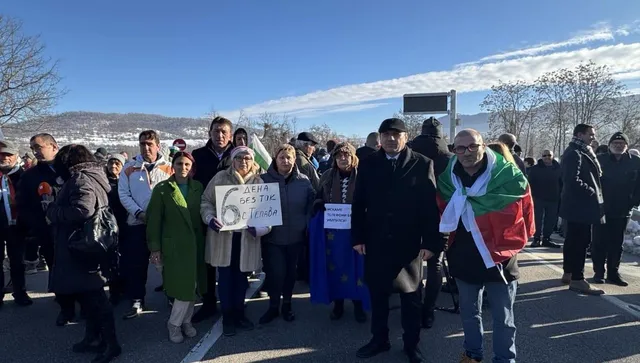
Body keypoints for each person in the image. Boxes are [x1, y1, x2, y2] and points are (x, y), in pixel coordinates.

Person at [439, 129, 534, 363]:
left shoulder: (507, 175)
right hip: (463, 255)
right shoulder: (447, 179)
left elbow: (525, 210)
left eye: (473, 146)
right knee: (469, 313)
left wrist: (517, 238)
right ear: (454, 150)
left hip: (499, 256)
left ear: (483, 146)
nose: (467, 152)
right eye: (460, 148)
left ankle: (504, 359)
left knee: (503, 317)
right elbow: (439, 212)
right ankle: (472, 355)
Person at [352, 118, 441, 363]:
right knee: (378, 295)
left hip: (409, 243)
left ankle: (412, 345)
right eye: (386, 134)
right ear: (379, 138)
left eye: (396, 134)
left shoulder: (422, 164)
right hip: (376, 240)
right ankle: (379, 340)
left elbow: (430, 208)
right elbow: (359, 204)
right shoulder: (368, 164)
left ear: (405, 136)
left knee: (411, 297)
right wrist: (357, 237)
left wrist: (431, 243)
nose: (391, 139)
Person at [46, 144, 121, 363]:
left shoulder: (81, 178)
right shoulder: (93, 174)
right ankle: (93, 337)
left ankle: (111, 344)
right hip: (88, 245)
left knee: (95, 297)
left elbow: (83, 209)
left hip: (82, 246)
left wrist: (53, 211)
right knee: (89, 296)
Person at [201, 146, 269, 336]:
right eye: (239, 157)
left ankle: (239, 313)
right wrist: (209, 218)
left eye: (247, 158)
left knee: (241, 279)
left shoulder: (259, 182)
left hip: (247, 238)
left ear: (253, 161)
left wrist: (261, 229)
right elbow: (205, 201)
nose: (243, 161)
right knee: (225, 279)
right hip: (224, 238)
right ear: (232, 159)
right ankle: (228, 316)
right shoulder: (220, 178)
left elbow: (268, 213)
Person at [146, 151, 207, 343]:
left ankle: (186, 321)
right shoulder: (162, 189)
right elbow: (153, 220)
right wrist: (155, 248)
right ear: (173, 166)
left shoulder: (198, 187)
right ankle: (174, 324)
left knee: (193, 286)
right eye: (180, 164)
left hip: (196, 244)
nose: (183, 168)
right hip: (175, 246)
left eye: (187, 165)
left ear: (192, 168)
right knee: (182, 287)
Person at [17, 133, 73, 324]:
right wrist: (36, 227)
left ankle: (85, 303)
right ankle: (66, 308)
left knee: (79, 269)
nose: (35, 152)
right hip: (48, 233)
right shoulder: (30, 176)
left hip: (74, 230)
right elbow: (23, 205)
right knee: (56, 268)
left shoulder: (69, 170)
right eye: (33, 148)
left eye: (39, 147)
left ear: (54, 146)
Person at [311, 142, 368, 323]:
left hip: (357, 230)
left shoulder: (363, 176)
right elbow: (318, 196)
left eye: (347, 155)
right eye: (339, 156)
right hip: (333, 232)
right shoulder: (327, 176)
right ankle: (338, 304)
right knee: (336, 266)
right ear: (334, 158)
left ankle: (358, 304)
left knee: (358, 268)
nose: (343, 159)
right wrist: (319, 204)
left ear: (353, 157)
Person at [118, 130, 173, 319]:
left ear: (158, 145)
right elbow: (123, 194)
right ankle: (137, 299)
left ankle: (172, 294)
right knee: (137, 264)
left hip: (163, 224)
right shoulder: (129, 167)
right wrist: (138, 213)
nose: (146, 147)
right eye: (142, 144)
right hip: (137, 223)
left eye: (150, 143)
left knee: (167, 261)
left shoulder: (169, 167)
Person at [259, 144, 315, 325]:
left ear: (294, 160)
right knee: (276, 273)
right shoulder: (263, 180)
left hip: (296, 237)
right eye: (281, 157)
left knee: (291, 273)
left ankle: (287, 304)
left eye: (289, 157)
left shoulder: (304, 181)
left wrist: (307, 223)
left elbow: (311, 204)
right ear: (275, 159)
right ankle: (273, 306)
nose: (285, 161)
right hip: (272, 237)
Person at [408, 117, 452, 329]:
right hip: (440, 215)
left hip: (412, 215)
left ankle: (414, 305)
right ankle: (429, 311)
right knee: (435, 265)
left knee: (411, 261)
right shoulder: (451, 157)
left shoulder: (409, 152)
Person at [191, 116, 234, 323]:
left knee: (231, 262)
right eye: (216, 131)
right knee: (207, 262)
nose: (220, 135)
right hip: (207, 215)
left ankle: (233, 302)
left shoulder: (238, 155)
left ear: (230, 135)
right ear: (210, 133)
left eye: (224, 132)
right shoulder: (197, 155)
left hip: (234, 218)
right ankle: (208, 303)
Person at [559, 124, 605, 295]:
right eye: (590, 134)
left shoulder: (580, 151)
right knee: (580, 242)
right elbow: (571, 180)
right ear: (580, 134)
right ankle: (578, 279)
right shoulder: (575, 153)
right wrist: (591, 191)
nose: (593, 137)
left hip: (577, 207)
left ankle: (569, 273)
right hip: (580, 206)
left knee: (573, 241)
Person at [593, 132, 640, 286]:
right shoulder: (600, 160)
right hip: (602, 209)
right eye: (615, 143)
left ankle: (613, 273)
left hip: (623, 209)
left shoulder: (635, 162)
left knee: (616, 243)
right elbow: (593, 183)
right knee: (599, 241)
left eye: (621, 143)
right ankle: (598, 272)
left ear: (626, 146)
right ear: (610, 145)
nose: (618, 146)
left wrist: (633, 201)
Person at [0, 140, 33, 307]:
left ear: (16, 156)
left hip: (17, 225)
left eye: (8, 155)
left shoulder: (24, 176)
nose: (4, 158)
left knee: (17, 261)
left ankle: (20, 292)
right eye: (1, 154)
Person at [104, 154, 128, 304]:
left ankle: (125, 286)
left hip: (125, 224)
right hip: (108, 225)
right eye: (111, 164)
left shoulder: (127, 182)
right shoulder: (104, 183)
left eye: (117, 164)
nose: (113, 167)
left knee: (125, 258)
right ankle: (114, 291)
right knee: (111, 260)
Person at [527, 150, 562, 248]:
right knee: (537, 219)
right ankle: (536, 238)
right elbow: (530, 183)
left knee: (551, 220)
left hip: (553, 198)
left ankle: (547, 238)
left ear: (553, 156)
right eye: (544, 155)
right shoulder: (535, 169)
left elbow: (562, 183)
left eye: (549, 155)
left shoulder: (558, 168)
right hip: (538, 198)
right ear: (541, 157)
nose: (547, 157)